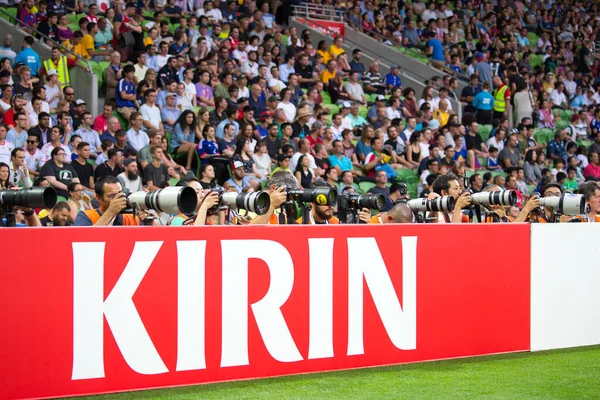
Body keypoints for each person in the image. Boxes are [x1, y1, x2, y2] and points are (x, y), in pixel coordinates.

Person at [74, 176, 141, 226]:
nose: (117, 198)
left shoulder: (131, 218)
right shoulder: (85, 216)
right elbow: (84, 240)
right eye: (112, 196)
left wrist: (148, 222)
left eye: (119, 194)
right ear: (98, 198)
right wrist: (111, 212)